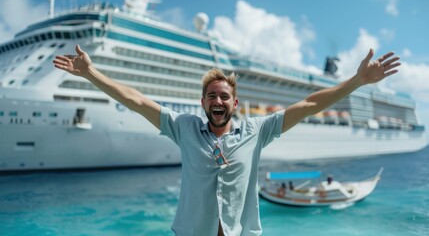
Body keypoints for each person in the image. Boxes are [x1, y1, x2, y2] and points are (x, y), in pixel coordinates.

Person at [53, 45, 400, 236]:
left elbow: (308, 104)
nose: (218, 102)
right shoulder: (183, 127)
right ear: (202, 102)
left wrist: (355, 81)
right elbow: (137, 100)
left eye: (224, 97)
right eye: (211, 96)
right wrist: (91, 73)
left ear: (235, 103)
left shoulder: (257, 130)